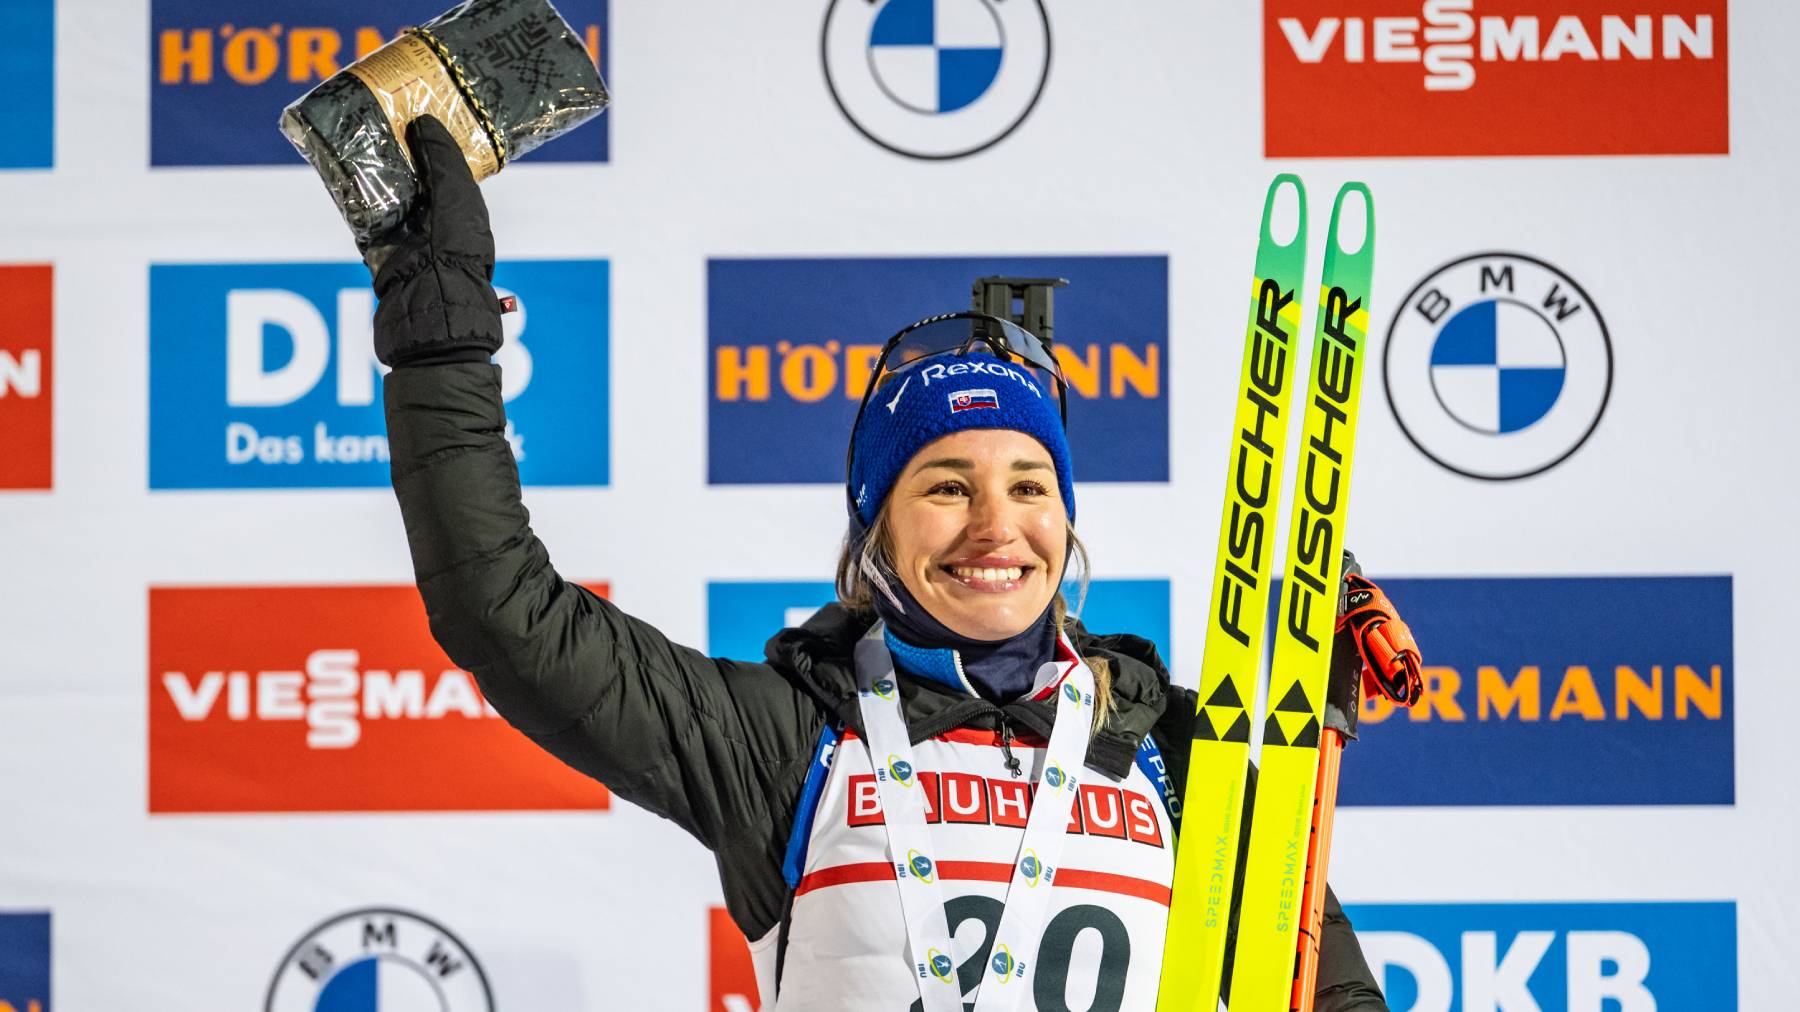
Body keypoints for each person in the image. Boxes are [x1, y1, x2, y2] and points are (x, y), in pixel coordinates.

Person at [367, 116, 1391, 1011]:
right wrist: (443, 352)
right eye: (946, 486)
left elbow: (1330, 990)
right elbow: (505, 611)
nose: (997, 525)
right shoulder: (787, 735)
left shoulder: (1176, 744)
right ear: (877, 531)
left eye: (1031, 486)